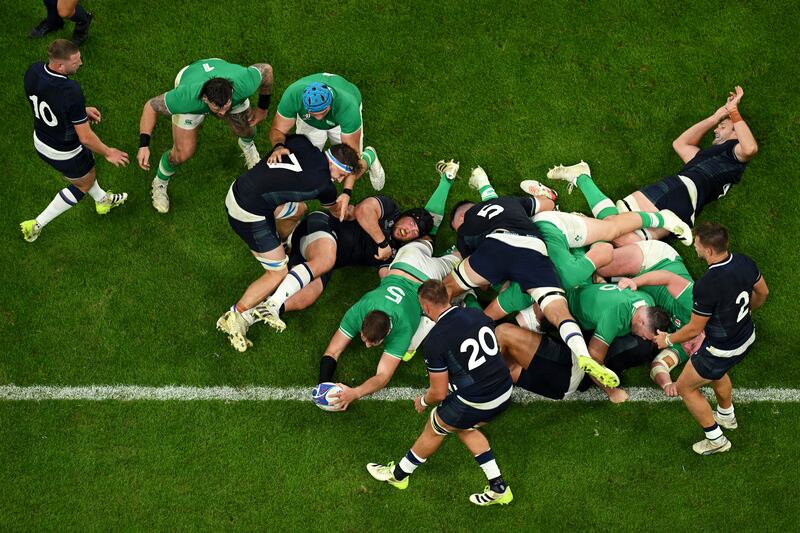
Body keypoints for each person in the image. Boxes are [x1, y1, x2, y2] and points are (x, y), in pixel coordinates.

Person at [445, 170, 620, 389]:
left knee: (449, 291)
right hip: (538, 247)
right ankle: (582, 353)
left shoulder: (515, 296)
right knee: (557, 313)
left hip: (532, 247)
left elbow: (486, 307)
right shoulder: (530, 285)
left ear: (462, 219)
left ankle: (437, 337)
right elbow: (545, 205)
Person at [251, 160, 460, 332]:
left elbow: (388, 277)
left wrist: (410, 292)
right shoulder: (390, 210)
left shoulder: (397, 255)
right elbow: (363, 211)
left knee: (310, 294)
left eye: (415, 232)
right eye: (411, 223)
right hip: (321, 228)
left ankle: (264, 310)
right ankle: (283, 238)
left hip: (322, 260)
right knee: (326, 257)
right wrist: (382, 242)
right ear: (404, 216)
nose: (410, 230)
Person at [366, 280, 514, 506]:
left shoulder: (435, 341)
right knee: (464, 426)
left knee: (436, 425)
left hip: (480, 399)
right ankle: (498, 487)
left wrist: (423, 401)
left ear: (425, 308)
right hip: (505, 388)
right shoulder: (477, 314)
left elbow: (439, 392)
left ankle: (399, 476)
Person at [548, 87, 757, 245]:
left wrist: (734, 112)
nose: (716, 130)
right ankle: (582, 183)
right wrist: (716, 116)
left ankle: (582, 183)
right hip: (680, 195)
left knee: (617, 234)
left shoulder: (732, 155)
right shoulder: (708, 158)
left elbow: (750, 149)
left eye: (723, 127)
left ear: (736, 134)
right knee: (620, 239)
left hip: (680, 193)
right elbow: (681, 144)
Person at [215, 135, 358, 352]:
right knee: (278, 273)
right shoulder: (322, 185)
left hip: (237, 190)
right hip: (248, 214)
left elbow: (285, 137)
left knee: (299, 210)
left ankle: (277, 244)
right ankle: (235, 315)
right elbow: (336, 211)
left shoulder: (304, 144)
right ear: (333, 164)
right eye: (341, 175)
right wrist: (348, 205)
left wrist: (279, 146)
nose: (339, 180)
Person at [654, 223, 768, 455]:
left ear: (708, 251)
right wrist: (745, 315)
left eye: (696, 243)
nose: (693, 246)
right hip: (746, 336)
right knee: (718, 371)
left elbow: (694, 329)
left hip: (722, 348)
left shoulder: (707, 284)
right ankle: (727, 416)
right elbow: (763, 292)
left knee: (686, 387)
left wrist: (667, 340)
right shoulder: (744, 262)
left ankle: (716, 440)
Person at [318, 238, 462, 410]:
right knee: (441, 251)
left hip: (422, 273)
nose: (367, 345)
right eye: (365, 339)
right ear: (363, 322)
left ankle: (442, 250)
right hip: (405, 262)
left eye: (373, 342)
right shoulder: (358, 311)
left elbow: (383, 376)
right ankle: (432, 239)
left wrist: (355, 393)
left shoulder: (402, 331)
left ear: (387, 334)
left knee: (457, 264)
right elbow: (332, 351)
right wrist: (323, 385)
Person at [21, 39, 128, 243]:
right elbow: (86, 137)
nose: (81, 63)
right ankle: (36, 224)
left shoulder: (33, 70)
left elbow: (46, 101)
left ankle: (103, 200)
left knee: (84, 177)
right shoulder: (70, 90)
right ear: (61, 66)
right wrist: (108, 152)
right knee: (83, 184)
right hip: (65, 151)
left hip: (40, 140)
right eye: (76, 61)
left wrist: (79, 112)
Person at [136, 58, 274, 213]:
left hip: (222, 76)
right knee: (182, 153)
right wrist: (144, 145)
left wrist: (263, 108)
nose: (222, 114)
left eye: (226, 106)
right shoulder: (185, 97)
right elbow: (151, 106)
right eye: (217, 109)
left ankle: (247, 145)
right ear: (205, 99)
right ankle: (160, 183)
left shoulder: (242, 83)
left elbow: (266, 70)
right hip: (190, 78)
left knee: (246, 129)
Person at [267, 73, 385, 199]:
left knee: (353, 166)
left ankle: (369, 156)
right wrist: (279, 147)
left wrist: (346, 193)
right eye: (314, 113)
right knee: (305, 162)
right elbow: (277, 130)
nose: (319, 118)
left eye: (323, 112)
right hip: (308, 121)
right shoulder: (293, 95)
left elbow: (352, 158)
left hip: (339, 121)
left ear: (330, 103)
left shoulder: (348, 107)